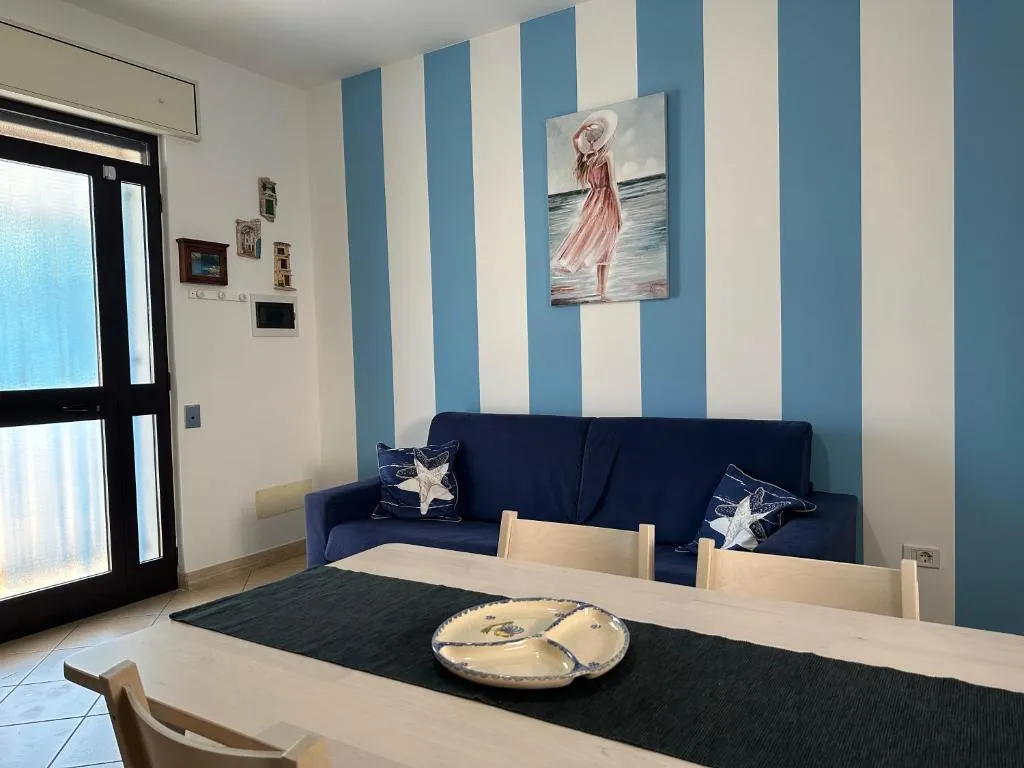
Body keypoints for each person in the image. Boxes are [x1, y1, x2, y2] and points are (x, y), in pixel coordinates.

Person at [552, 109, 622, 301]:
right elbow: (612, 183)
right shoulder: (607, 154)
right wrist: (619, 211)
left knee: (599, 245)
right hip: (606, 202)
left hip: (592, 203)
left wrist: (582, 128)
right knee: (606, 247)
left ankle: (601, 292)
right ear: (602, 138)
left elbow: (574, 140)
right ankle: (602, 293)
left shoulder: (584, 159)